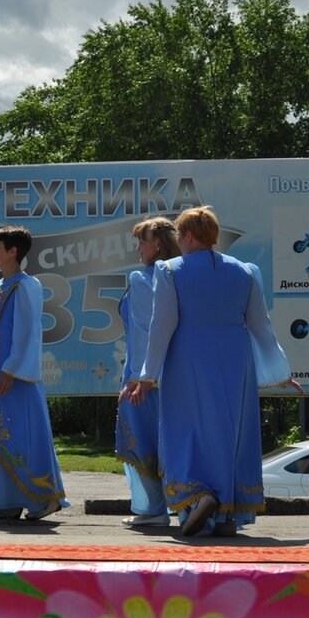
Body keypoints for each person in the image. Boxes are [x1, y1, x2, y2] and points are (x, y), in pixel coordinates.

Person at [130, 206, 302, 537]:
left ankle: (200, 498)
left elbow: (161, 326)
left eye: (180, 235)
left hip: (187, 360)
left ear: (189, 236)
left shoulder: (170, 270)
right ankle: (228, 515)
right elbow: (260, 326)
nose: (178, 241)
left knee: (186, 433)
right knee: (230, 434)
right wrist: (281, 371)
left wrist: (147, 375)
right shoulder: (245, 272)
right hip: (236, 363)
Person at [0, 225, 67, 521]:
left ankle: (44, 497)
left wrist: (11, 371)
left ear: (13, 252)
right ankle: (8, 500)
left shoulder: (25, 285)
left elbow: (27, 332)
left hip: (14, 378)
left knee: (23, 436)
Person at [116, 217, 180, 529]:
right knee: (175, 442)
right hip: (179, 375)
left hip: (146, 377)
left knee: (142, 442)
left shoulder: (142, 279)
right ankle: (183, 502)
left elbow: (143, 332)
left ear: (157, 245)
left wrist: (136, 378)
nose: (138, 247)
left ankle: (153, 507)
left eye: (143, 241)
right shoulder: (182, 274)